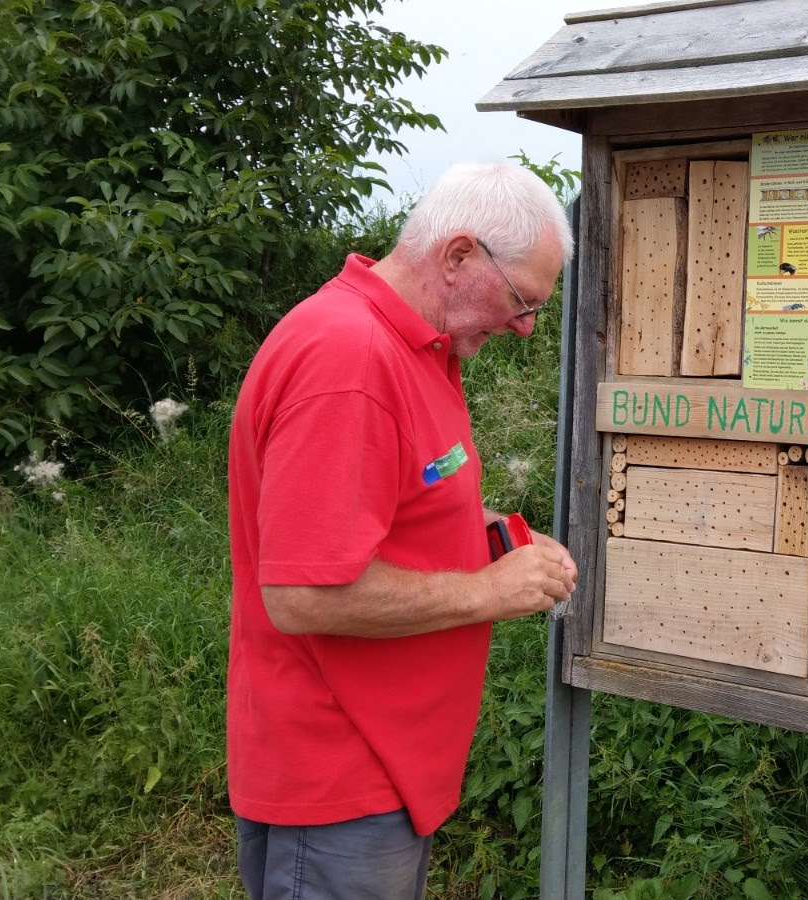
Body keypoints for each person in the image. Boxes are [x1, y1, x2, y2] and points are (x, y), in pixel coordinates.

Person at [225, 163, 578, 898]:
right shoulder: (349, 361)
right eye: (521, 301)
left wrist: (491, 538)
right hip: (337, 777)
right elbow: (302, 594)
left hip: (383, 773)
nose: (526, 327)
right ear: (456, 257)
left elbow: (389, 507)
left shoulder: (415, 349)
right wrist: (485, 591)